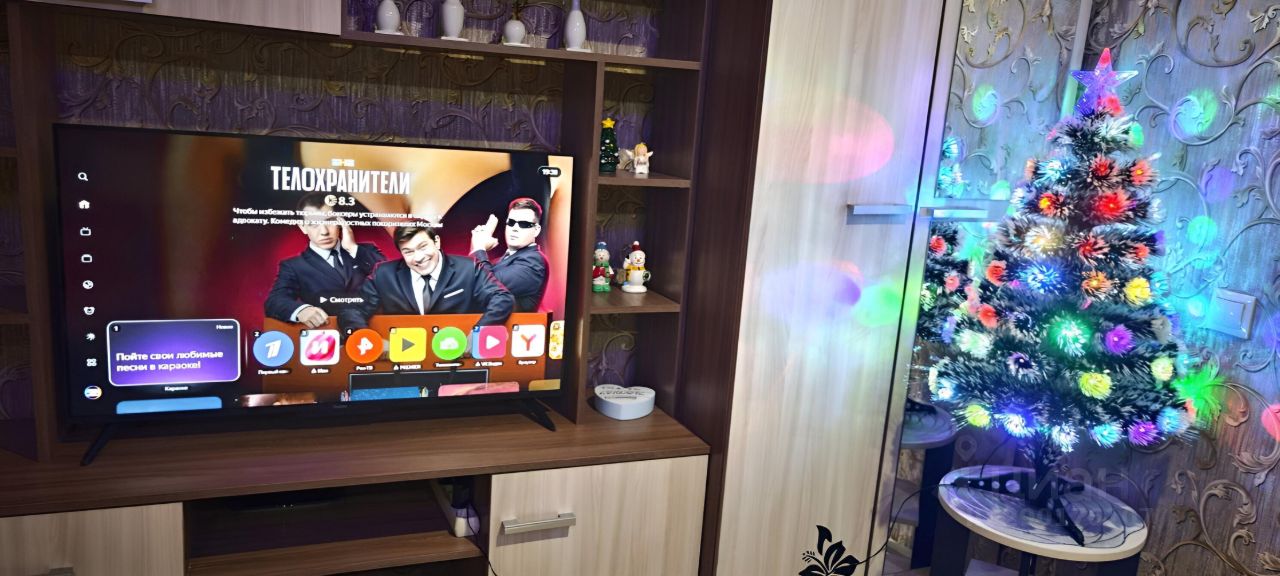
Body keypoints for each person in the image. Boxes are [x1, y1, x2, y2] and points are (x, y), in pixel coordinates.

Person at [339, 225, 514, 331]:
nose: (418, 257)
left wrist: (478, 334)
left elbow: (502, 298)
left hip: (456, 355)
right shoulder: (383, 274)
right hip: (404, 359)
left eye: (423, 247)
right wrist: (367, 339)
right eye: (408, 252)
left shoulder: (469, 268)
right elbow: (351, 309)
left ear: (436, 242)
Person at [265, 193, 386, 328]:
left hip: (375, 331)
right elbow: (274, 301)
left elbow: (389, 280)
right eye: (313, 224)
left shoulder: (366, 251)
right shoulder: (293, 266)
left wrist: (352, 248)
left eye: (330, 221)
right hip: (325, 333)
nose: (324, 232)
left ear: (340, 222)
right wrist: (301, 310)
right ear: (303, 227)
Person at [470, 197, 550, 312]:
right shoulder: (499, 261)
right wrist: (475, 248)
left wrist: (479, 247)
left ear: (536, 230)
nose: (515, 229)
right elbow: (470, 283)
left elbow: (486, 287)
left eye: (524, 224)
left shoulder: (534, 262)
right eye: (511, 222)